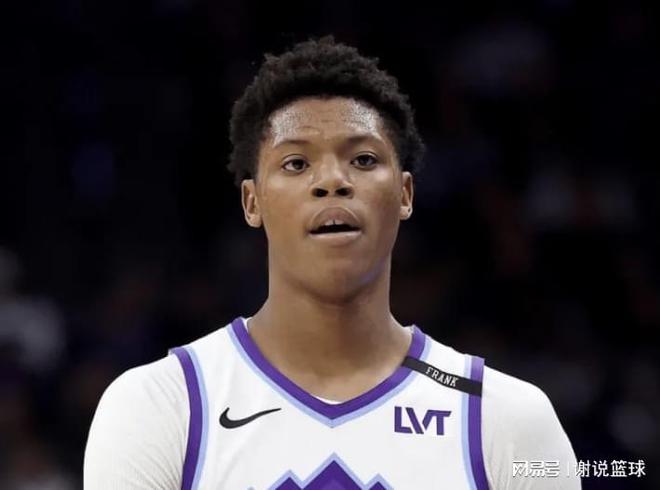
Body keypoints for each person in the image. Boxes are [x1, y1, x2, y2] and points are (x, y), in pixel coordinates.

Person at [84, 36, 580, 489]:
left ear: (405, 194)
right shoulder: (160, 408)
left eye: (363, 160)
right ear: (252, 203)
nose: (332, 182)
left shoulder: (506, 420)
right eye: (296, 163)